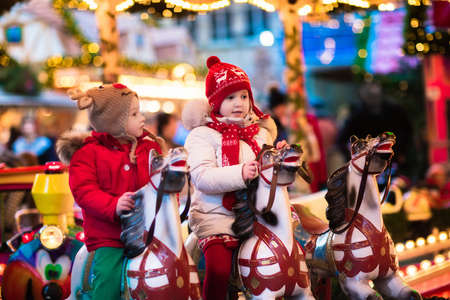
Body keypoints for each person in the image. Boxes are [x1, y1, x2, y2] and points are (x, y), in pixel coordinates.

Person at [182, 56, 282, 300]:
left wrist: (281, 161)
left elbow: (270, 180)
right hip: (215, 215)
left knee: (291, 253)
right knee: (218, 267)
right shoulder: (202, 135)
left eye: (244, 96)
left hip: (256, 213)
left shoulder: (258, 134)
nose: (239, 103)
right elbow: (202, 176)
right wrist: (241, 173)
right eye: (230, 97)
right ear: (216, 102)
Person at [56, 83, 162, 299]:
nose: (142, 118)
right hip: (110, 236)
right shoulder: (88, 154)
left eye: (139, 111)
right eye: (134, 114)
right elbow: (84, 191)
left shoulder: (149, 148)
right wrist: (114, 205)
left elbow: (159, 182)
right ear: (115, 122)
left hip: (148, 231)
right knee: (107, 276)